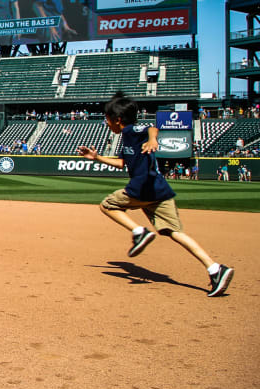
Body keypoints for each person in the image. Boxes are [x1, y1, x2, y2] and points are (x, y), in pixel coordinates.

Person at [77, 92, 233, 297]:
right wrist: (97, 158)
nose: (106, 124)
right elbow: (122, 163)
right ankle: (215, 269)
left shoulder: (132, 130)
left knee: (107, 205)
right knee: (174, 232)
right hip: (160, 190)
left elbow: (152, 127)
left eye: (107, 119)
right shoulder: (127, 138)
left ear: (117, 120)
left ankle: (139, 232)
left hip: (143, 188)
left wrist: (152, 140)